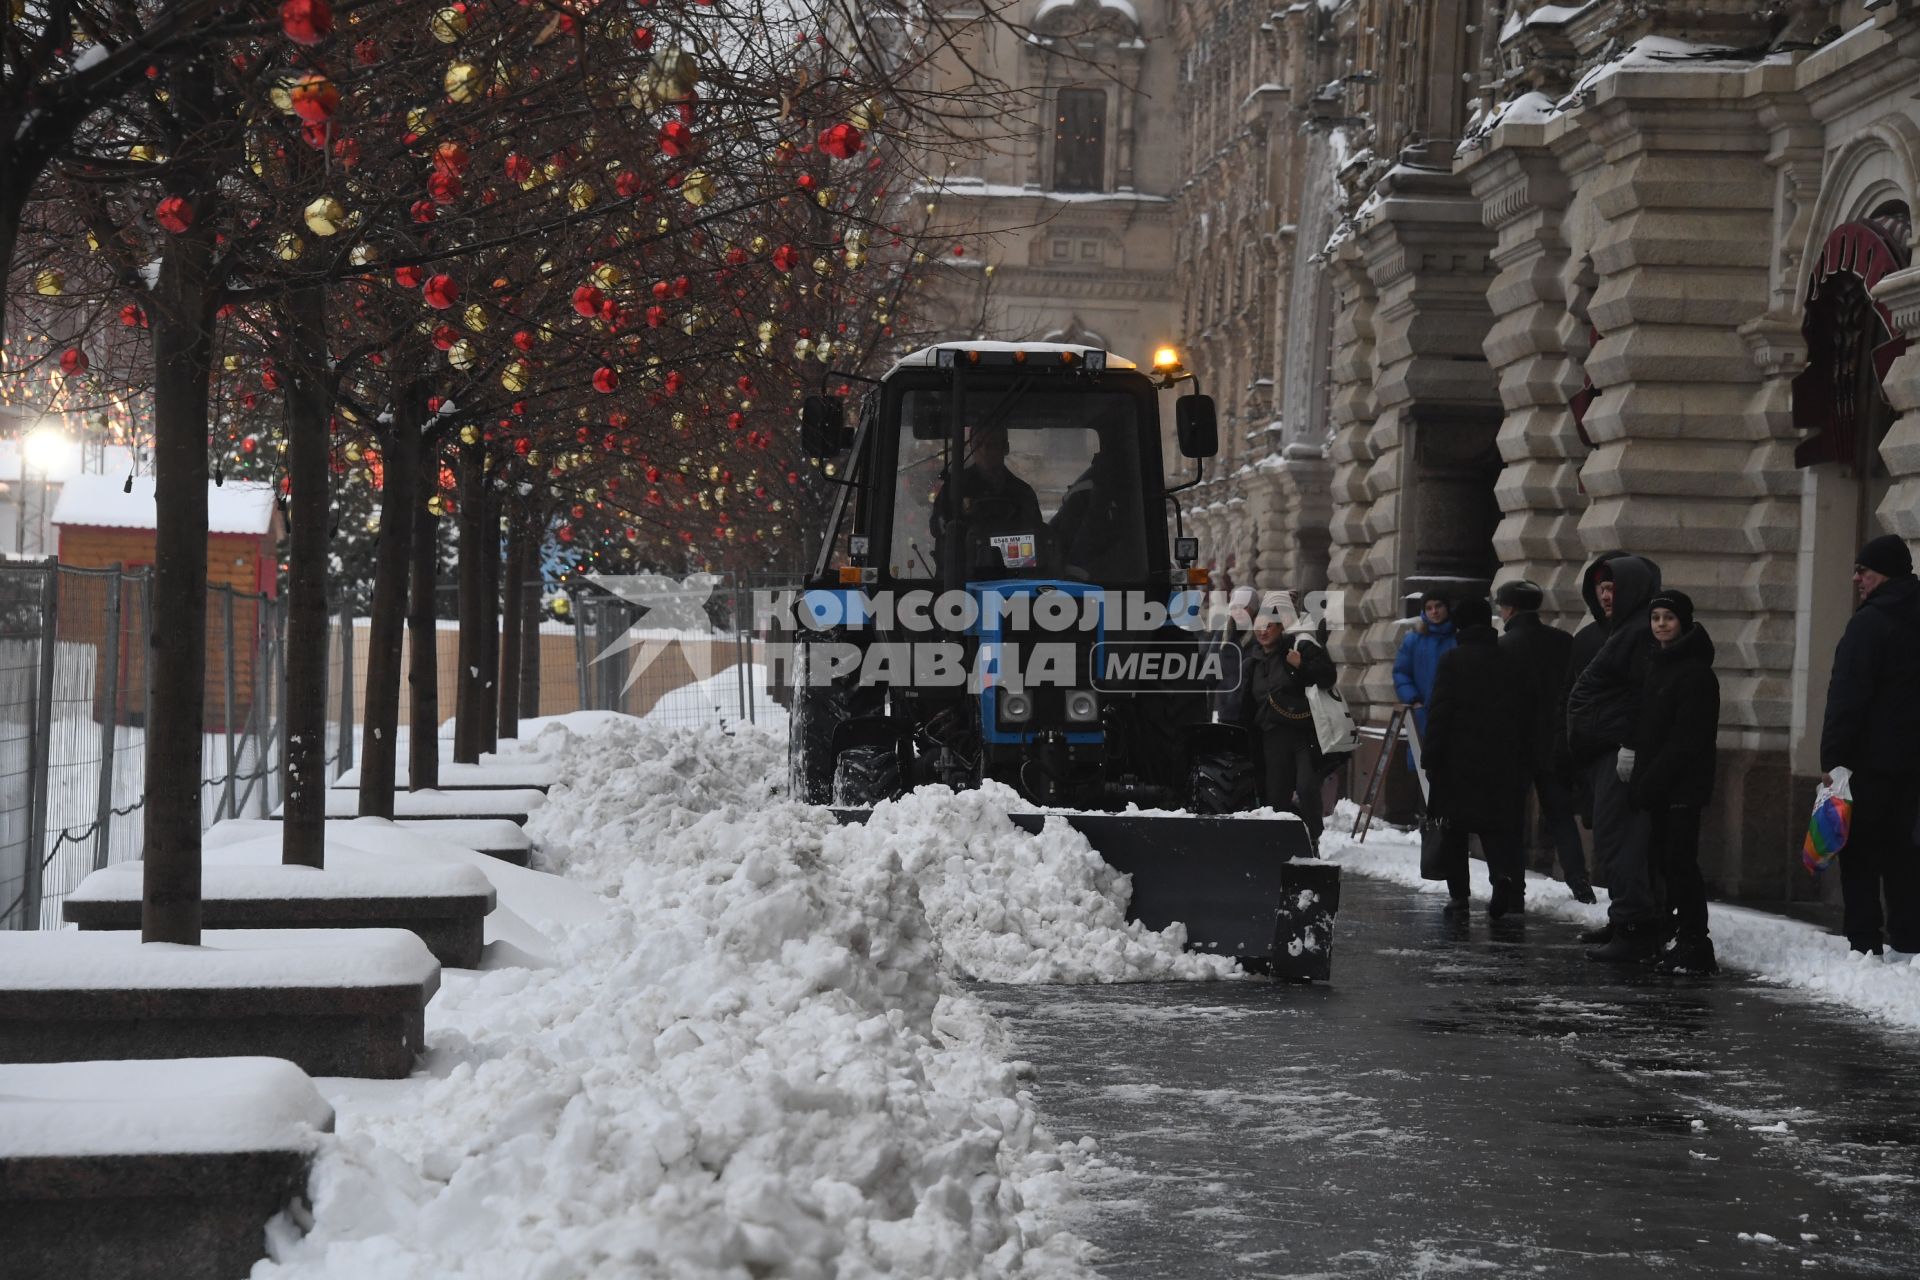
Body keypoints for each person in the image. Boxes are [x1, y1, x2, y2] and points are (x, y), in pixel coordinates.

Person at [1820, 534, 1920, 960]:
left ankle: (1864, 943)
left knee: (1859, 851)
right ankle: (1911, 941)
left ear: (1887, 572)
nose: (1856, 577)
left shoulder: (1870, 622)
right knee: (1907, 854)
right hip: (1913, 764)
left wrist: (1834, 760)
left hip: (1870, 762)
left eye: (1865, 570)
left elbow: (1848, 695)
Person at [1567, 553, 1666, 961]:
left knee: (1620, 840)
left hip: (1622, 753)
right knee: (1612, 839)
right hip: (1604, 750)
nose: (1606, 595)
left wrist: (1628, 741)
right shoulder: (1618, 631)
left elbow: (1644, 698)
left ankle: (1634, 926)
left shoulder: (1639, 632)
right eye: (1600, 588)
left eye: (1613, 588)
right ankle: (1625, 917)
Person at [1625, 590, 1721, 974]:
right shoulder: (1659, 665)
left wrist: (1650, 782)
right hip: (1661, 784)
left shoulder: (1695, 672)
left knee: (1680, 863)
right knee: (1666, 861)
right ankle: (1678, 934)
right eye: (1656, 618)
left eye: (1668, 617)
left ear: (1683, 621)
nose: (1661, 624)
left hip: (1681, 786)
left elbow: (1686, 740)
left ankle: (1696, 941)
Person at [1422, 596, 1534, 917]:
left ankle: (1459, 898)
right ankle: (1502, 879)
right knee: (1496, 829)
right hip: (1500, 762)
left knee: (1454, 831)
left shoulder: (1453, 660)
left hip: (1456, 763)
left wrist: (1431, 759)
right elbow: (1523, 714)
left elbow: (1440, 713)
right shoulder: (1510, 660)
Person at [1495, 579, 1595, 903]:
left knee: (1511, 818)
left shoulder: (1504, 646)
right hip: (1555, 743)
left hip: (1516, 747)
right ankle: (1578, 880)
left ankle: (1514, 886)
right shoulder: (1563, 641)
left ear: (1508, 608)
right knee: (1561, 815)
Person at [1243, 594, 1337, 849]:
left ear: (1281, 627)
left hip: (1303, 733)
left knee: (1306, 788)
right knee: (1276, 799)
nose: (1262, 631)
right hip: (1271, 737)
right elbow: (1245, 704)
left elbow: (1328, 676)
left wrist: (1301, 666)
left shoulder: (1298, 648)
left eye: (1269, 625)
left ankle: (1313, 836)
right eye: (1258, 625)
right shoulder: (1252, 662)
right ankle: (1283, 847)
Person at [930, 425, 1044, 572]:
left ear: (1005, 447)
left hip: (1015, 577)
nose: (984, 451)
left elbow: (1036, 535)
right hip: (961, 578)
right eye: (978, 444)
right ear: (971, 447)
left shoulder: (1022, 493)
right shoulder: (954, 489)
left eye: (992, 444)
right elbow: (937, 528)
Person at [1392, 592, 1455, 752]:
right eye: (1429, 608)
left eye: (1438, 606)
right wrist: (1414, 701)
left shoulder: (1458, 638)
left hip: (1453, 713)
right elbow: (1401, 673)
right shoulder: (1414, 639)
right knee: (1423, 762)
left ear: (1447, 608)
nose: (1434, 611)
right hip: (1422, 712)